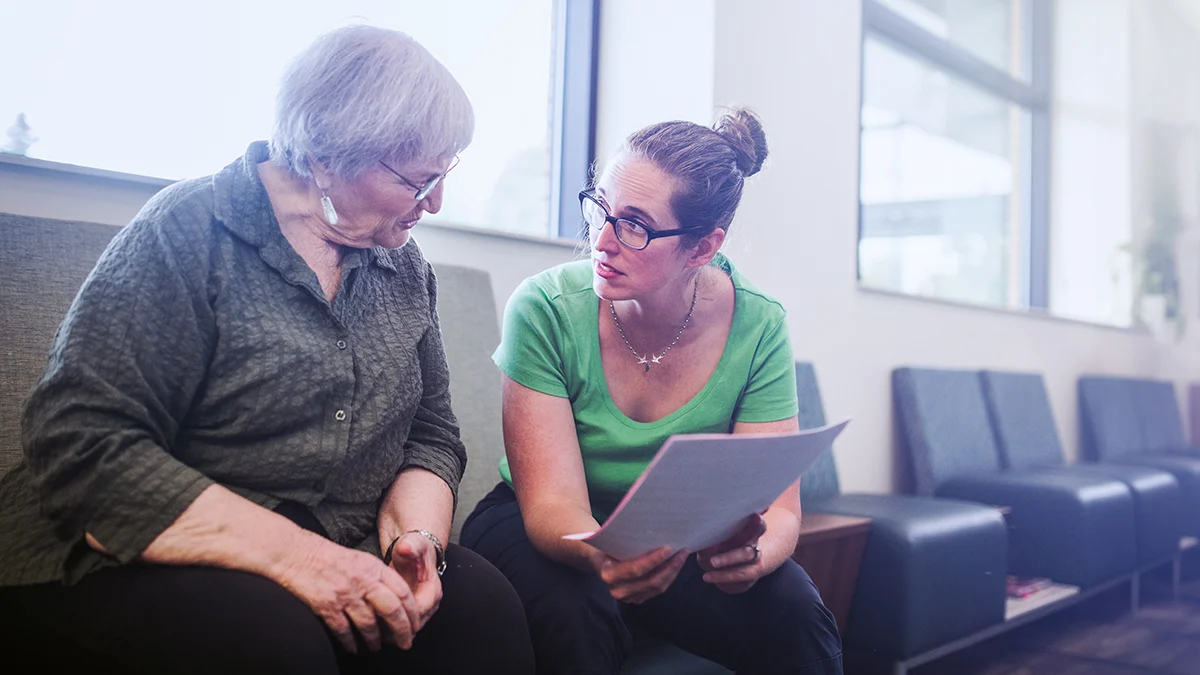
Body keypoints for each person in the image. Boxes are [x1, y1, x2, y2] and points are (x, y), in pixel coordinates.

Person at [0, 25, 534, 674]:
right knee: (273, 641)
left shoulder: (403, 266)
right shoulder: (190, 232)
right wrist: (305, 561)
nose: (436, 203)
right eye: (418, 182)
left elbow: (431, 431)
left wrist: (417, 539)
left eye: (443, 176)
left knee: (484, 610)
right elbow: (81, 442)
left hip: (339, 535)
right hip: (136, 545)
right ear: (328, 154)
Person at [461, 108, 843, 675]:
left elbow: (781, 508)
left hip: (673, 541)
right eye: (601, 210)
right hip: (543, 523)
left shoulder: (759, 325)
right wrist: (611, 555)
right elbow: (551, 505)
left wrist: (752, 557)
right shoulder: (544, 307)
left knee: (795, 612)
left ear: (701, 248)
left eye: (635, 225)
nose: (603, 240)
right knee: (576, 610)